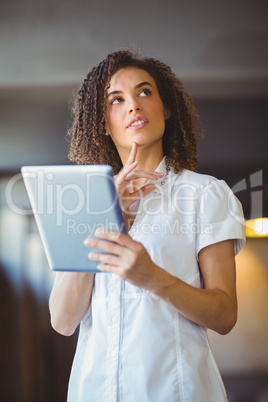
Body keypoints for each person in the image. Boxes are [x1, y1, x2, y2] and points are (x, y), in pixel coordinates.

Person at [49, 50, 245, 402]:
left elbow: (224, 314)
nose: (134, 106)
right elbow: (63, 321)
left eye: (144, 92)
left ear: (166, 108)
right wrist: (101, 216)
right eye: (117, 100)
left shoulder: (206, 194)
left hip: (179, 391)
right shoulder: (84, 204)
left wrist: (154, 277)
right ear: (103, 123)